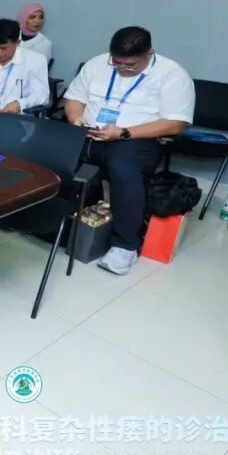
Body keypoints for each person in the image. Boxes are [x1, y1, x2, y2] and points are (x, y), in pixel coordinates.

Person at [64, 26, 194, 276]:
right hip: (89, 132)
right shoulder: (96, 64)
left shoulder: (173, 75)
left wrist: (123, 132)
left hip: (135, 139)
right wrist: (75, 118)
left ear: (149, 54)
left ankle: (125, 246)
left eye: (131, 65)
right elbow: (74, 99)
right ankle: (51, 222)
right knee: (53, 153)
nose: (123, 69)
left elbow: (175, 124)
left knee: (123, 169)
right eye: (117, 63)